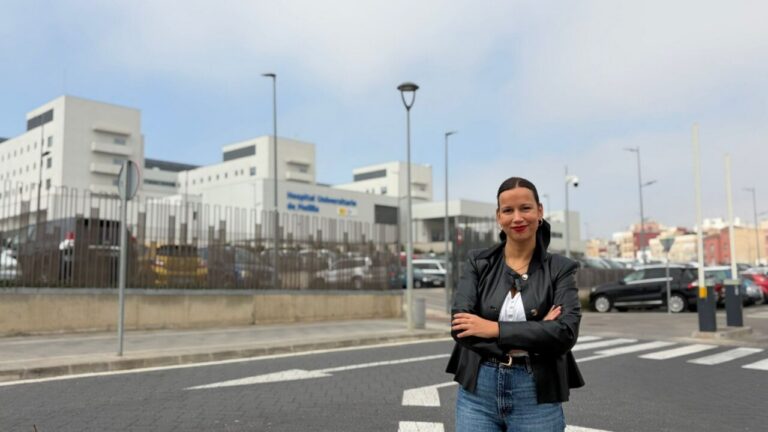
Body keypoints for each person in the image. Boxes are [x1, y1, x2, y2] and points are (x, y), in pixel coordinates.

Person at [446, 176, 584, 432]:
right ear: (499, 216)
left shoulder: (561, 269)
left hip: (536, 392)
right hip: (478, 392)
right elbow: (460, 327)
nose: (517, 218)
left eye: (525, 208)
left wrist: (494, 329)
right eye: (508, 210)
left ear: (539, 211)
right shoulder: (479, 262)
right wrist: (538, 330)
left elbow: (565, 333)